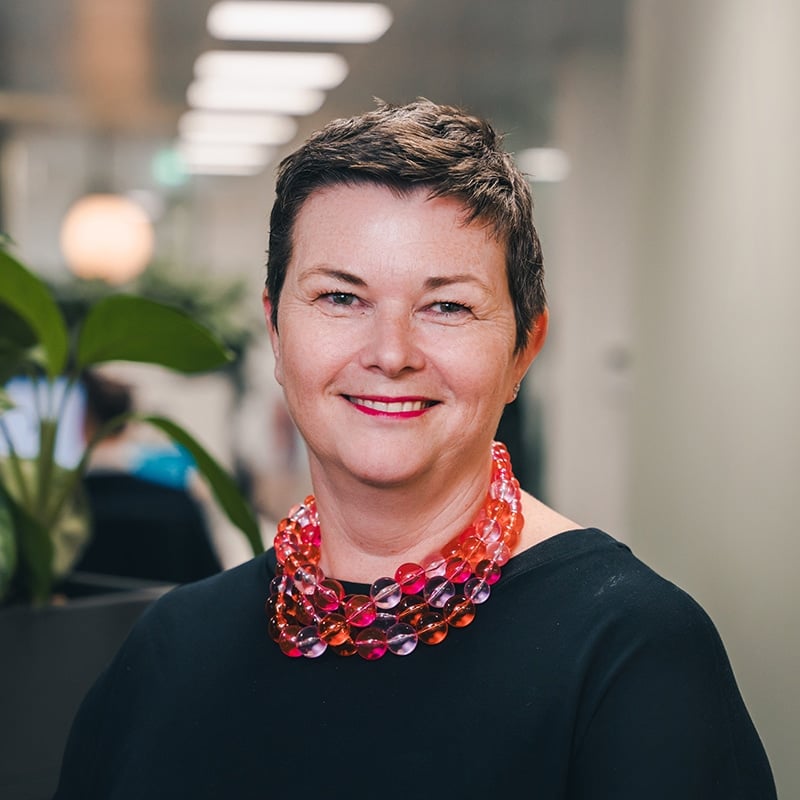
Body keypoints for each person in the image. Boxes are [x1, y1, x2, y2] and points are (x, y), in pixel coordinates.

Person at [53, 99, 776, 799]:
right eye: (341, 297)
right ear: (276, 331)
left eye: (447, 306)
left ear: (525, 348)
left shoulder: (633, 657)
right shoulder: (170, 654)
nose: (391, 353)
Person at [72, 369, 222, 584]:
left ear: (82, 423)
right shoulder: (175, 500)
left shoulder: (63, 508)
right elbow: (210, 579)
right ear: (129, 421)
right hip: (170, 613)